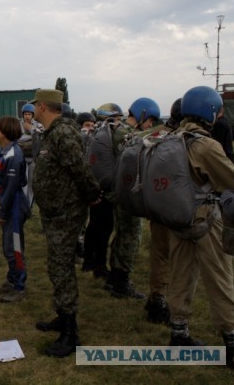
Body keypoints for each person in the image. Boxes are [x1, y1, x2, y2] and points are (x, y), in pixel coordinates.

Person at [165, 86, 234, 370]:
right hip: (206, 221)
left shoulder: (172, 138)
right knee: (220, 279)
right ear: (210, 111)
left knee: (180, 275)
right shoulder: (204, 145)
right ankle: (232, 342)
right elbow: (233, 181)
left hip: (178, 220)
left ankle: (179, 332)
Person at [30, 89, 101, 358]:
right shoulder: (53, 132)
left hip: (66, 212)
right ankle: (62, 316)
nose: (34, 108)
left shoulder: (62, 133)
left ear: (44, 107)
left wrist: (93, 195)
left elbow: (79, 168)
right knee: (56, 265)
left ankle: (71, 333)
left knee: (61, 267)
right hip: (54, 211)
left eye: (36, 104)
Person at [106, 97, 161, 300]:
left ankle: (114, 277)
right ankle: (121, 281)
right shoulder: (124, 134)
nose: (150, 125)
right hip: (126, 194)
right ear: (142, 114)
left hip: (121, 191)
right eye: (150, 120)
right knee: (131, 235)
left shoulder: (121, 131)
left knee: (122, 234)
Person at [144, 98, 182, 324]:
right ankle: (166, 305)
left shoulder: (155, 135)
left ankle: (156, 297)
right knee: (179, 260)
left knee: (159, 253)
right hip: (178, 209)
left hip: (156, 204)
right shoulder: (185, 139)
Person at [0, 116, 31, 303]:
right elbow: (3, 166)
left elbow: (11, 189)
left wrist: (2, 214)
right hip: (10, 205)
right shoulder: (7, 152)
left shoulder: (14, 155)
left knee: (15, 248)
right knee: (8, 247)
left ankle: (19, 287)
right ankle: (12, 279)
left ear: (5, 132)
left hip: (14, 207)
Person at [81, 103, 123, 276]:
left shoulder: (95, 134)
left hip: (94, 186)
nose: (120, 123)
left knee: (94, 225)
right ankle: (99, 264)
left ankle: (88, 261)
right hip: (106, 189)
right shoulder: (108, 136)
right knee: (104, 228)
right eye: (118, 119)